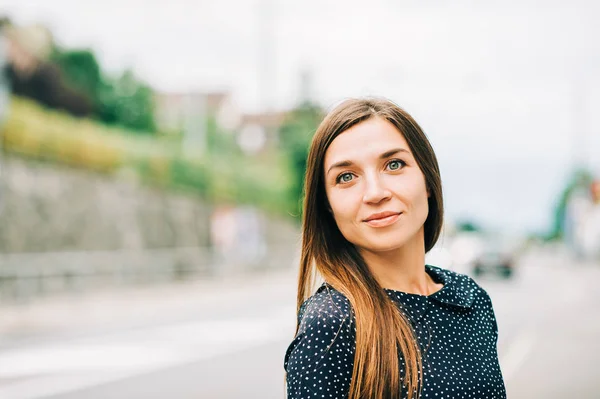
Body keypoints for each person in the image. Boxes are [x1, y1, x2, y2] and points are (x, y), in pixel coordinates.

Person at [283, 98, 506, 399]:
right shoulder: (331, 325)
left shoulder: (470, 301)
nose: (375, 193)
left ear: (427, 180)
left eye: (394, 164)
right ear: (328, 206)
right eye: (346, 177)